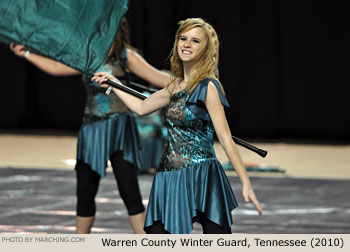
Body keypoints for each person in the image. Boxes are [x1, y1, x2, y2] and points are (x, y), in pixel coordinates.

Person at [93, 17, 262, 234]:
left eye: (195, 41)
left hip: (202, 176)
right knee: (157, 235)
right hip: (169, 176)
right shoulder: (174, 86)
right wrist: (114, 84)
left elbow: (226, 139)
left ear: (206, 49)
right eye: (183, 38)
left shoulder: (207, 87)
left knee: (219, 239)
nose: (187, 44)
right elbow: (142, 107)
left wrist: (245, 182)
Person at [10, 17, 171, 234]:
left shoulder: (126, 56)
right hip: (91, 131)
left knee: (129, 192)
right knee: (85, 192)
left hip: (119, 130)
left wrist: (192, 79)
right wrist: (27, 53)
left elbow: (161, 78)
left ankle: (144, 243)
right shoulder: (87, 54)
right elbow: (58, 67)